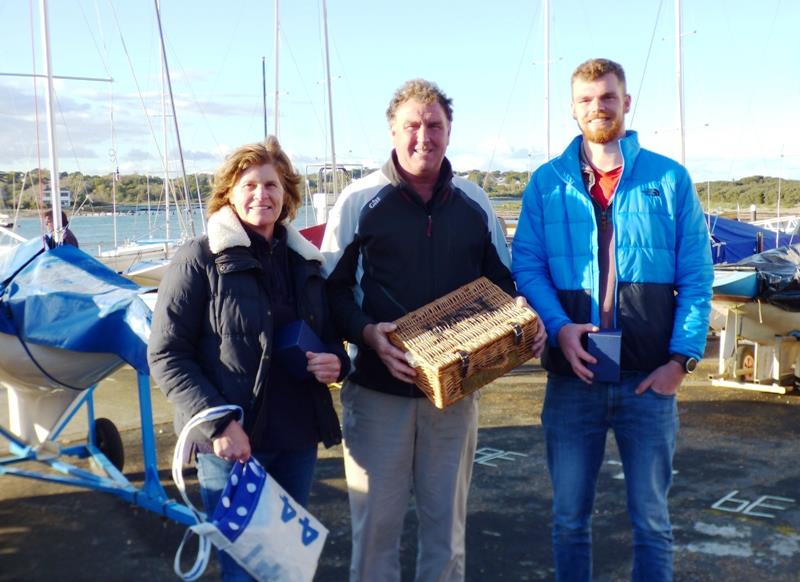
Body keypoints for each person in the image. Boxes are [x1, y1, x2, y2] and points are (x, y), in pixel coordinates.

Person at [321, 78, 546, 582]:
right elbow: (330, 293)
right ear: (393, 132)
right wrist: (367, 333)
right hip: (378, 392)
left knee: (446, 537)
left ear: (449, 131)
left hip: (455, 396)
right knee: (376, 537)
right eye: (412, 126)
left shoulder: (474, 202)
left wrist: (526, 322)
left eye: (435, 125)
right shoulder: (359, 201)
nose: (424, 136)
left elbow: (503, 285)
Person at [512, 58, 713, 581]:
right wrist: (558, 327)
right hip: (571, 378)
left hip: (647, 381)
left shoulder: (669, 178)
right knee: (568, 520)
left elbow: (696, 277)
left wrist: (682, 360)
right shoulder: (546, 183)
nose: (597, 107)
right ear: (573, 109)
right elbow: (527, 266)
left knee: (651, 520)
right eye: (586, 99)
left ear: (626, 102)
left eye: (607, 97)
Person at [148, 137, 349, 581]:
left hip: (297, 438)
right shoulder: (199, 259)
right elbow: (166, 353)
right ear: (229, 195)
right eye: (250, 185)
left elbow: (332, 340)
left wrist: (337, 363)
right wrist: (217, 424)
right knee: (242, 567)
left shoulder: (306, 264)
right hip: (232, 444)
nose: (263, 195)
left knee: (285, 565)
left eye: (273, 185)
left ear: (287, 194)